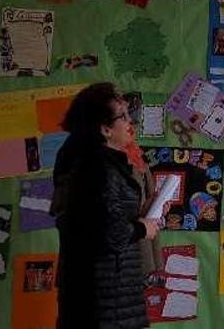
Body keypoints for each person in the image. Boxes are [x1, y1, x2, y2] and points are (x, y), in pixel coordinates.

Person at [50, 82, 159, 329]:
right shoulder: (97, 168)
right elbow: (111, 233)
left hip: (111, 294)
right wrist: (143, 229)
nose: (131, 122)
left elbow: (104, 220)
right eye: (123, 116)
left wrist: (143, 215)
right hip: (103, 300)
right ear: (105, 129)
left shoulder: (102, 164)